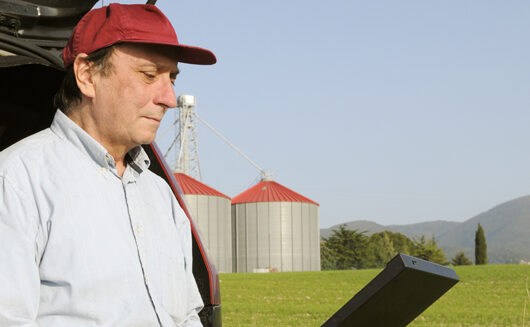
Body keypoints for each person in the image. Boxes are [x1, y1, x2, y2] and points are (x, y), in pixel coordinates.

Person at [0, 3, 215, 326]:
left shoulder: (160, 194)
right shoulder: (17, 180)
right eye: (149, 74)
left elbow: (186, 317)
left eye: (171, 78)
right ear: (87, 75)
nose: (170, 98)